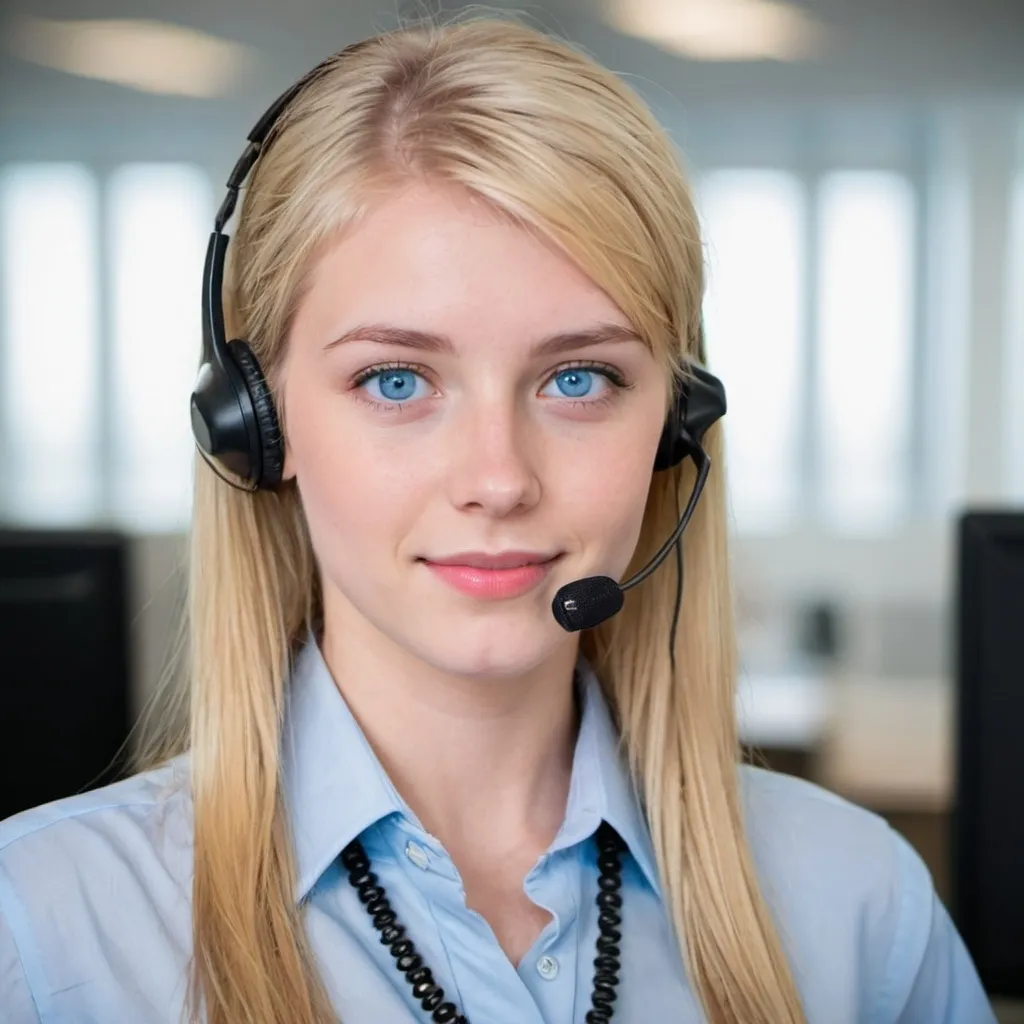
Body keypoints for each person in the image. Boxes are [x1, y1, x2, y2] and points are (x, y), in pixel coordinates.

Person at [0, 15, 994, 1024]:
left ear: (674, 426)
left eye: (577, 377)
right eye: (396, 380)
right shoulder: (45, 932)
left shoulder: (859, 911)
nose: (497, 478)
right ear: (257, 424)